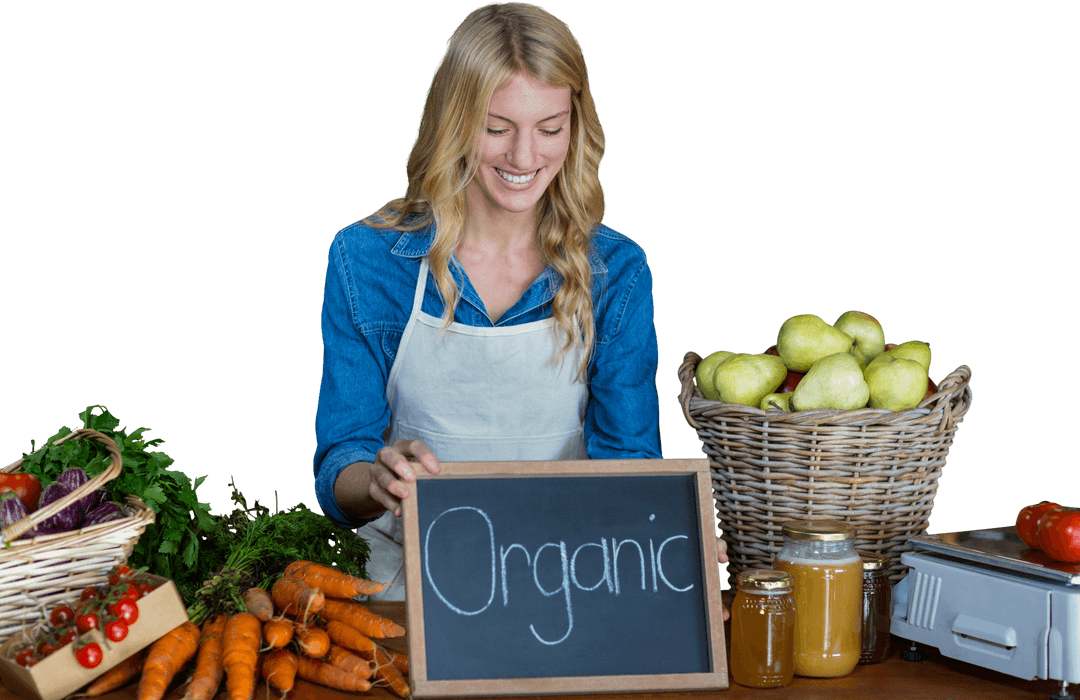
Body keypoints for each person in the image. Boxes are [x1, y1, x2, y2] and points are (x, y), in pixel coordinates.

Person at [313, 1, 729, 612]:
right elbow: (340, 461)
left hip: (565, 589)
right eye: (496, 126)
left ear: (575, 127)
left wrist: (665, 541)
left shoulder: (615, 271)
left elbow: (627, 464)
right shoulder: (368, 259)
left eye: (550, 128)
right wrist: (377, 478)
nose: (524, 157)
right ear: (454, 122)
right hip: (403, 599)